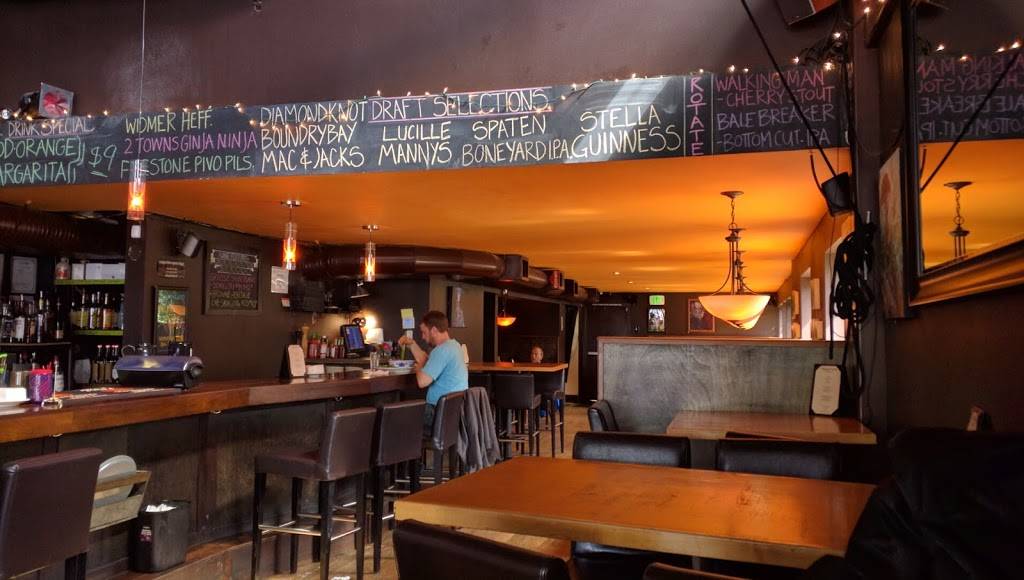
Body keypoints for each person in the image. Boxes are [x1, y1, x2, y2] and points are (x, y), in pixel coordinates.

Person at [398, 310, 468, 433]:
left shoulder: (441, 351)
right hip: (452, 413)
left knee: (396, 417)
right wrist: (412, 344)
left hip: (436, 413)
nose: (423, 337)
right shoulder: (454, 346)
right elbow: (427, 361)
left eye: (424, 332)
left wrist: (418, 367)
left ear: (434, 330)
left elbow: (422, 381)